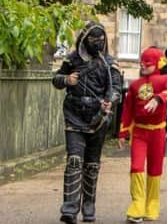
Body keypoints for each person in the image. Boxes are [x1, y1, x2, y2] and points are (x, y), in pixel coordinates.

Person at [52, 21, 122, 224]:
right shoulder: (72, 59)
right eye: (93, 39)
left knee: (92, 165)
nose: (97, 43)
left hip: (98, 118)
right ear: (84, 39)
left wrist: (111, 100)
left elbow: (116, 87)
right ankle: (69, 209)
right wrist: (67, 80)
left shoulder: (110, 62)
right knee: (74, 161)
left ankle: (89, 207)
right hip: (74, 115)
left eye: (100, 40)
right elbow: (56, 79)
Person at [118, 47, 167, 223]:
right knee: (136, 166)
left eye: (148, 63)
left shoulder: (165, 79)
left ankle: (152, 204)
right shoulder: (135, 85)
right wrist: (122, 133)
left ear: (158, 63)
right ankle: (137, 204)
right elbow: (127, 110)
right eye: (142, 62)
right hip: (139, 132)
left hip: (158, 132)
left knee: (155, 169)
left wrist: (159, 98)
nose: (143, 65)